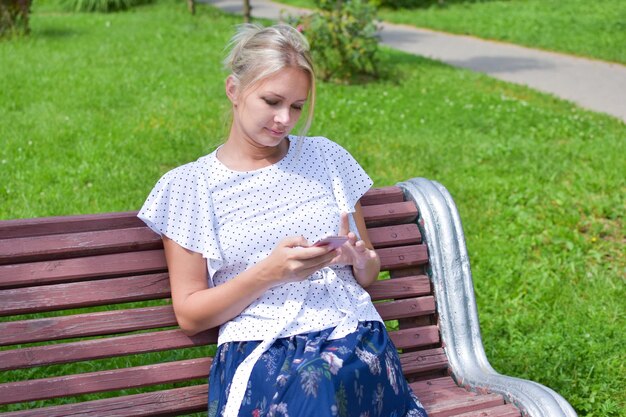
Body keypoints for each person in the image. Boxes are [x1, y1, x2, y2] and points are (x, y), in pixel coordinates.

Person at [138, 23, 428, 417]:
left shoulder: (327, 158)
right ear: (233, 90)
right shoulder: (190, 186)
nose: (284, 119)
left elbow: (370, 269)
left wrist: (361, 261)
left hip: (353, 336)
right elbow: (190, 315)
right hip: (262, 347)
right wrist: (270, 273)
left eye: (296, 106)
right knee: (316, 388)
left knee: (330, 380)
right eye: (272, 101)